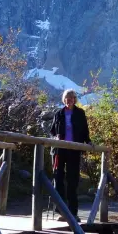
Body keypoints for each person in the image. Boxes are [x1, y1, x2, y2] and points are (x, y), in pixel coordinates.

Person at [49, 88, 91, 221]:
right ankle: (61, 212)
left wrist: (88, 142)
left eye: (72, 98)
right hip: (59, 151)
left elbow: (85, 131)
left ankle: (73, 213)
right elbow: (52, 131)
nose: (69, 100)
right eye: (67, 98)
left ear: (75, 100)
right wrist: (56, 137)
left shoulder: (80, 113)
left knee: (73, 180)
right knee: (58, 179)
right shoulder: (59, 113)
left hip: (74, 150)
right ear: (64, 99)